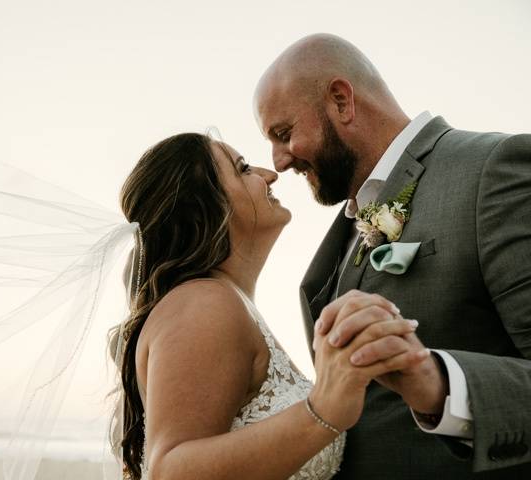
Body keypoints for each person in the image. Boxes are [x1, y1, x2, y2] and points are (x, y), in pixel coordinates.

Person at [253, 33, 531, 478]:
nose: (279, 162)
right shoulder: (345, 229)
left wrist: (439, 384)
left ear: (341, 101)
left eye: (284, 134)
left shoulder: (492, 170)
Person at [112, 132, 428, 479]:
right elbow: (170, 471)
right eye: (243, 168)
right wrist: (321, 410)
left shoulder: (225, 302)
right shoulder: (205, 304)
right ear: (204, 206)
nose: (269, 174)